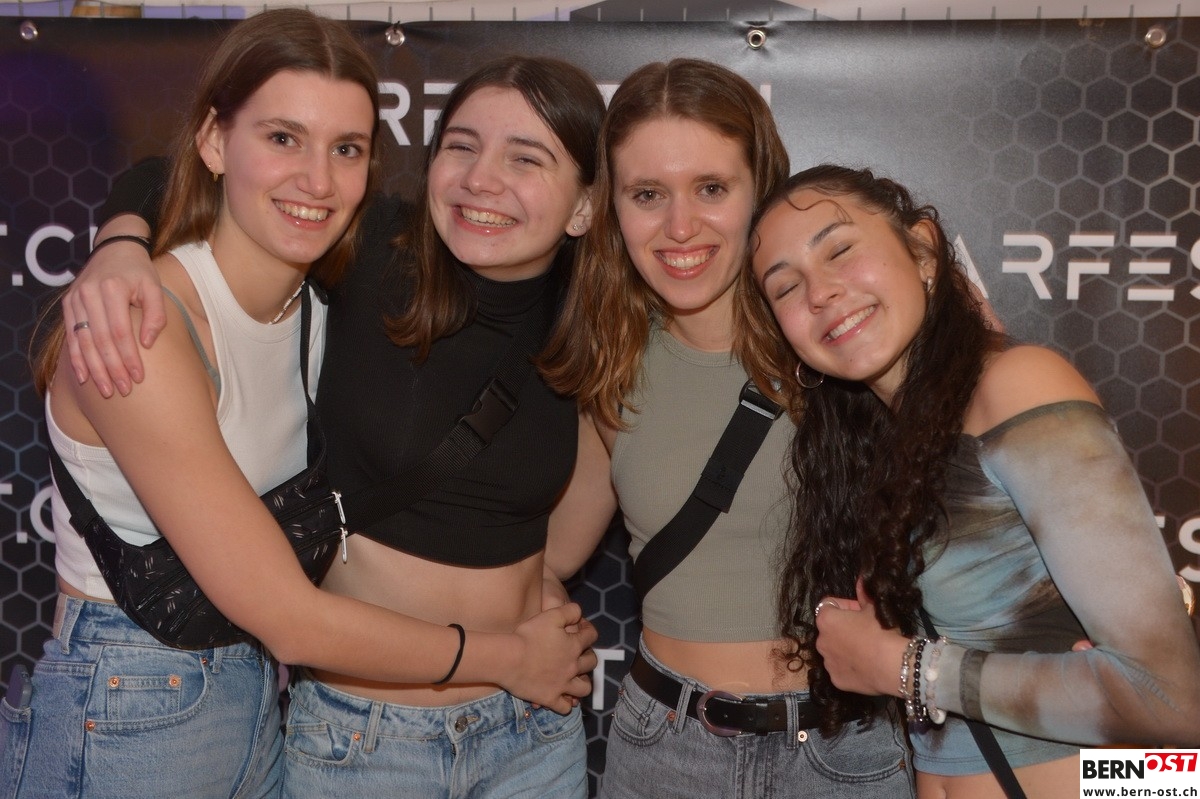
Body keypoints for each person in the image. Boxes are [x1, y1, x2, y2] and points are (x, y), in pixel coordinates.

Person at [54, 53, 606, 798]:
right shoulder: (369, 249)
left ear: (584, 207)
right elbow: (183, 171)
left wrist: (536, 601)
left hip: (533, 730)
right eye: (462, 146)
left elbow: (563, 534)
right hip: (364, 736)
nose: (482, 179)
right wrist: (119, 242)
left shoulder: (593, 324)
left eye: (526, 159)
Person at [749, 164, 1200, 798]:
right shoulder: (882, 441)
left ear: (922, 251)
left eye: (841, 250)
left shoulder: (1018, 384)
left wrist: (902, 667)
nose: (819, 293)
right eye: (786, 287)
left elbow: (1173, 702)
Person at [540, 60, 914, 798]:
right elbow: (548, 557)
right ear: (613, 207)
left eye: (711, 188)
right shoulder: (610, 365)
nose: (680, 227)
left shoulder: (848, 342)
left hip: (846, 751)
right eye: (648, 194)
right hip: (664, 751)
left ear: (760, 187)